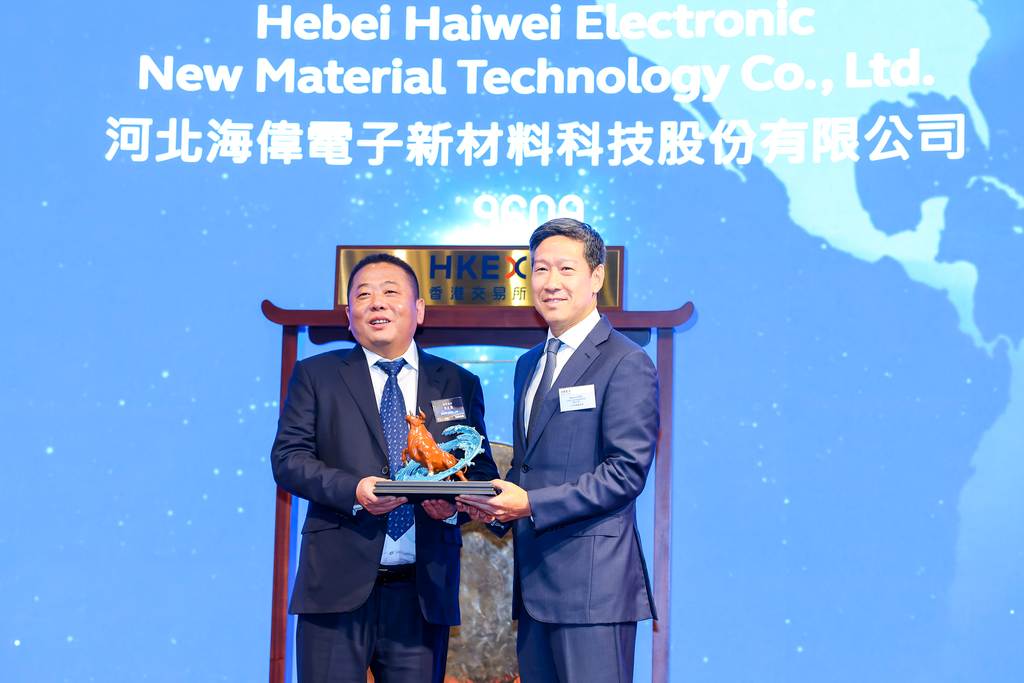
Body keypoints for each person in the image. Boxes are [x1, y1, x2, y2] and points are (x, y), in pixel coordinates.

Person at [271, 253, 498, 683]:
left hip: (421, 592)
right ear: (349, 315)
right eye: (363, 295)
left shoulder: (457, 382)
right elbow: (288, 459)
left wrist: (452, 508)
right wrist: (354, 491)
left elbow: (480, 469)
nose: (377, 302)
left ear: (419, 310)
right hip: (334, 587)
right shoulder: (317, 375)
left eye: (391, 292)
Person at [458, 219, 658, 683]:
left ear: (596, 276)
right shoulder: (529, 363)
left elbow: (625, 472)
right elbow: (528, 467)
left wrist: (529, 503)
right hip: (534, 586)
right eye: (540, 269)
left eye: (565, 268)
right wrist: (490, 505)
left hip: (594, 589)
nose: (550, 282)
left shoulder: (625, 361)